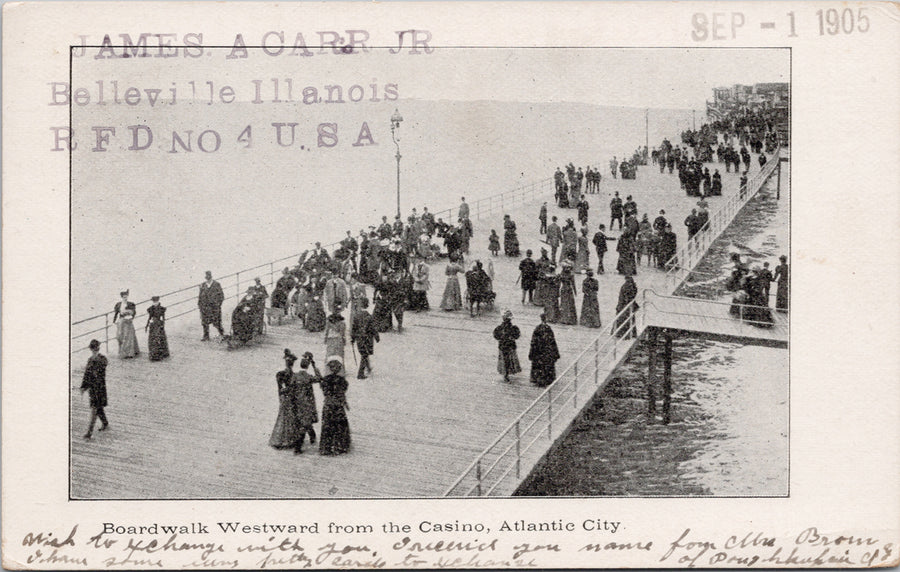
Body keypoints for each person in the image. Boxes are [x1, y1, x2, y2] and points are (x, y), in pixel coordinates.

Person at [269, 349, 305, 453]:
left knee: (285, 417)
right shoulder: (287, 375)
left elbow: (281, 389)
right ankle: (287, 439)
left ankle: (284, 439)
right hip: (288, 397)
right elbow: (283, 388)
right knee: (288, 417)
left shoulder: (283, 374)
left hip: (286, 397)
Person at [316, 359, 351, 455]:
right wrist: (345, 403)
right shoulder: (342, 381)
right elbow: (342, 393)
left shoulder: (326, 379)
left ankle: (326, 447)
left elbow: (324, 391)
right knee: (339, 426)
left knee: (327, 426)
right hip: (338, 405)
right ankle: (340, 446)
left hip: (328, 405)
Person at [80, 339, 109, 439]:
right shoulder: (102, 359)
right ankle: (105, 423)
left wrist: (83, 387)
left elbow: (87, 375)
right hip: (99, 387)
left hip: (95, 388)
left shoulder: (93, 360)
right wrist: (84, 386)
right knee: (98, 407)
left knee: (94, 408)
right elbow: (88, 374)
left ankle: (89, 432)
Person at [293, 352, 321, 449]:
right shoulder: (308, 377)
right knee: (306, 423)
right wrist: (315, 367)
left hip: (297, 402)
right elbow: (319, 378)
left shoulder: (295, 376)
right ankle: (302, 443)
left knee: (303, 422)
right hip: (308, 403)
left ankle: (307, 439)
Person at [528, 314, 560, 387]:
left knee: (538, 364)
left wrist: (531, 353)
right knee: (546, 365)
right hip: (547, 351)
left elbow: (533, 342)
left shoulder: (537, 329)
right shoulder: (548, 329)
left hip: (538, 351)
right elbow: (552, 342)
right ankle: (546, 379)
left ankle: (538, 379)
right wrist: (555, 353)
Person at [350, 298, 379, 379]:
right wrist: (377, 337)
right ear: (367, 305)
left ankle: (368, 368)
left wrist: (352, 338)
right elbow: (373, 328)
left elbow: (354, 328)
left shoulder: (356, 316)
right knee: (365, 354)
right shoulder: (369, 316)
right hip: (367, 339)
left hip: (359, 339)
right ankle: (360, 373)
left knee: (364, 353)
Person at [493, 310, 522, 382]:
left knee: (505, 360)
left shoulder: (500, 328)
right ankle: (507, 373)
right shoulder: (513, 328)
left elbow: (496, 335)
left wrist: (501, 339)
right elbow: (517, 335)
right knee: (509, 359)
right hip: (510, 346)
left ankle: (505, 374)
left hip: (503, 346)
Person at [198, 271, 225, 341]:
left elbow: (221, 296)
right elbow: (200, 296)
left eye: (209, 276)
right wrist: (200, 305)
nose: (207, 277)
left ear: (211, 276)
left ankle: (222, 334)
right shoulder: (203, 285)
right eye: (206, 276)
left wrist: (218, 304)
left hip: (214, 307)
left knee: (217, 321)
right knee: (204, 322)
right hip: (205, 307)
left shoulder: (216, 284)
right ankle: (206, 336)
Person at [113, 290, 139, 358]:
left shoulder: (131, 304)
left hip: (128, 321)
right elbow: (116, 314)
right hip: (121, 322)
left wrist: (131, 316)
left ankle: (129, 353)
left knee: (129, 337)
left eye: (126, 297)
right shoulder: (118, 304)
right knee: (120, 336)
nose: (125, 298)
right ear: (122, 297)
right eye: (124, 297)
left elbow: (134, 312)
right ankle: (123, 352)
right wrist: (114, 321)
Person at [145, 296, 169, 361]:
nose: (155, 303)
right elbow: (149, 317)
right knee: (153, 338)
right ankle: (154, 354)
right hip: (153, 325)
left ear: (158, 301)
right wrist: (147, 325)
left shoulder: (162, 309)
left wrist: (162, 324)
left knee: (159, 338)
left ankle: (161, 353)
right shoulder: (150, 309)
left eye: (156, 301)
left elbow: (163, 318)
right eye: (154, 302)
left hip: (159, 324)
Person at [324, 308, 347, 375]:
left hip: (330, 340)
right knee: (339, 355)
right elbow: (342, 333)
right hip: (338, 340)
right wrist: (344, 341)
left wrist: (325, 339)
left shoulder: (329, 322)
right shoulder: (342, 323)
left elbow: (326, 331)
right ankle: (341, 370)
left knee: (330, 354)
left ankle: (328, 370)